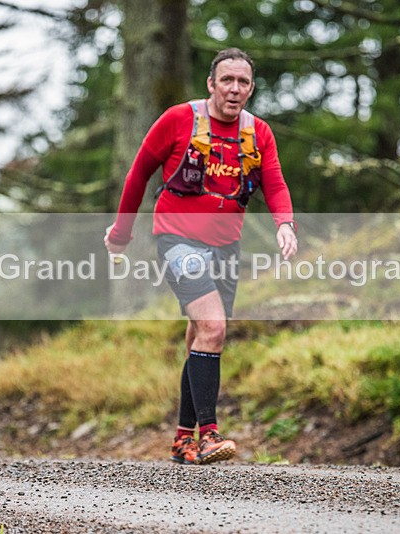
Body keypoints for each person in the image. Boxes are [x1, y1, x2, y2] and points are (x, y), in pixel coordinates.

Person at [104, 48, 297, 465]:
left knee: (201, 337)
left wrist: (285, 223)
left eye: (243, 82)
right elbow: (138, 175)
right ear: (211, 84)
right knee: (213, 327)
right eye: (226, 80)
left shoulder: (258, 133)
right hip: (178, 240)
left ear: (250, 88)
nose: (234, 88)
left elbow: (275, 184)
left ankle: (181, 439)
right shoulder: (178, 120)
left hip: (226, 247)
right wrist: (121, 234)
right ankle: (208, 434)